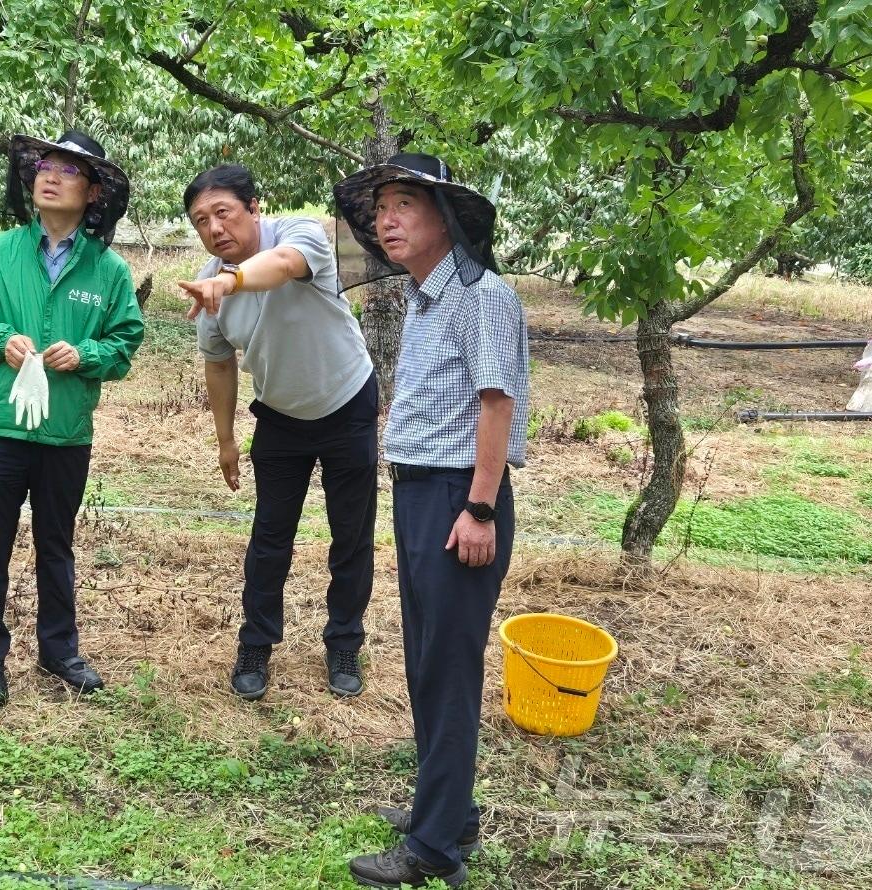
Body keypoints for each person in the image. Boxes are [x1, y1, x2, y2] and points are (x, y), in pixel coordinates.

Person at [334, 153, 529, 888]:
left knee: (446, 670)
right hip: (420, 492)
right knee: (426, 660)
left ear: (443, 217)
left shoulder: (480, 295)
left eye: (403, 205)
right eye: (380, 207)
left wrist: (479, 508)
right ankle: (448, 812)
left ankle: (433, 849)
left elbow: (496, 403)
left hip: (457, 499)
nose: (386, 220)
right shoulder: (424, 297)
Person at [0, 131, 144, 706]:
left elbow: (125, 342)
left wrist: (86, 355)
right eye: (45, 166)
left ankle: (59, 651)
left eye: (70, 170)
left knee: (56, 544)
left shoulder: (109, 271)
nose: (51, 176)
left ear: (94, 193)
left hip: (66, 432)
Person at [178, 165, 378, 701]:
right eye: (201, 220)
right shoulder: (208, 285)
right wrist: (225, 440)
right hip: (280, 416)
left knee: (351, 535)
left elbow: (285, 266)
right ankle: (256, 645)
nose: (214, 228)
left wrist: (230, 281)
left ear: (254, 207)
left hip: (346, 400)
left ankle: (344, 643)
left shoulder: (298, 234)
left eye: (223, 212)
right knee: (270, 538)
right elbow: (218, 363)